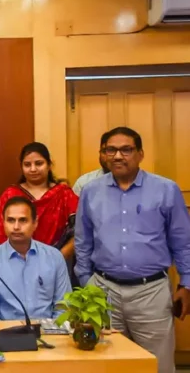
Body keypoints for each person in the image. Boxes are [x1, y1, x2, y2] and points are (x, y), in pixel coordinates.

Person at [76, 126, 190, 373]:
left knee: (157, 365)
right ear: (103, 154)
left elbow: (183, 241)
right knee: (109, 364)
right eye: (111, 150)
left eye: (126, 150)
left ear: (140, 154)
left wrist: (186, 284)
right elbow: (83, 241)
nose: (118, 156)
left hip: (151, 292)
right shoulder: (91, 191)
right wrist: (87, 282)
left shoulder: (166, 189)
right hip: (104, 292)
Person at [0, 196, 71, 321]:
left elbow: (63, 308)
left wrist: (52, 331)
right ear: (3, 222)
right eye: (11, 220)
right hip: (7, 330)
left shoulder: (54, 257)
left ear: (35, 223)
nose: (16, 227)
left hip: (47, 329)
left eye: (23, 220)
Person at [0, 142, 78, 258]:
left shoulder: (64, 194)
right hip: (16, 260)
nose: (33, 169)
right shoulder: (10, 195)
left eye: (39, 163)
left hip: (57, 259)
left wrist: (57, 259)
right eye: (27, 165)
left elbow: (80, 233)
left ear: (49, 165)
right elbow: (1, 234)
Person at [72, 131, 110, 196]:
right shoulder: (84, 182)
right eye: (105, 151)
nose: (115, 156)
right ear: (100, 153)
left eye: (125, 150)